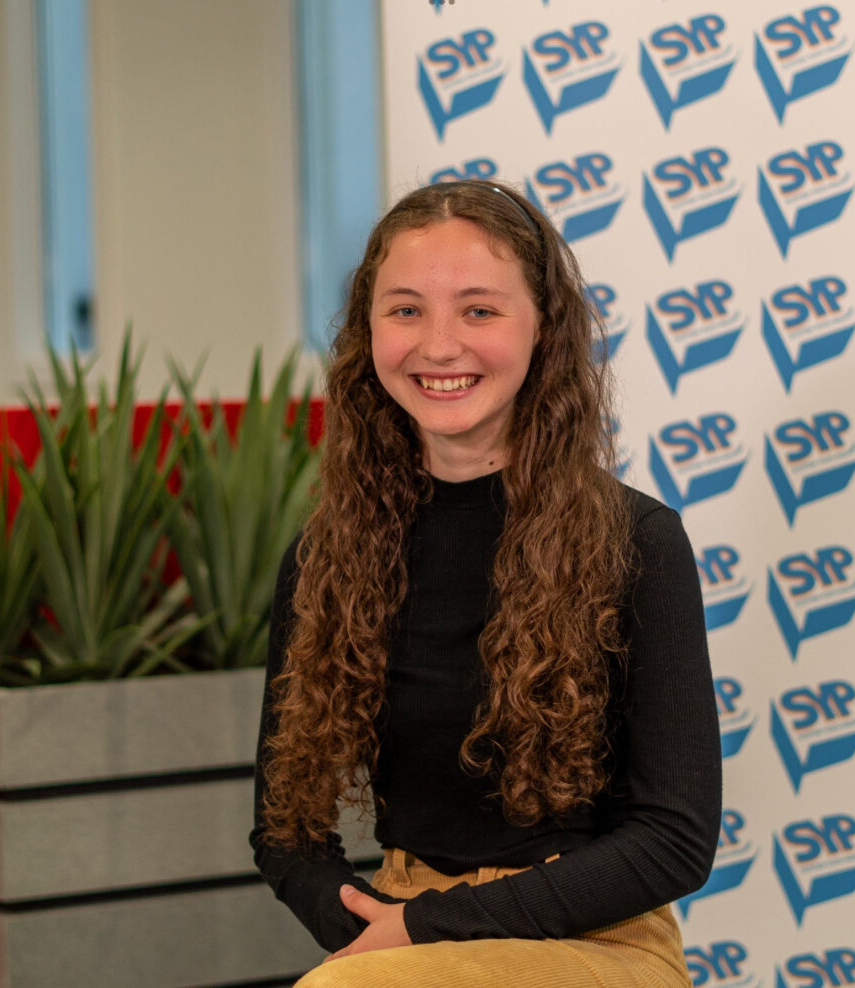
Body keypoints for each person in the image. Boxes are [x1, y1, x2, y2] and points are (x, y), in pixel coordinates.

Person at [250, 179, 722, 986]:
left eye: (478, 310)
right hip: (396, 939)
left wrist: (424, 931)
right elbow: (284, 831)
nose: (438, 345)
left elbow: (673, 840)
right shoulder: (326, 555)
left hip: (599, 945)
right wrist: (370, 925)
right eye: (405, 310)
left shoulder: (638, 542)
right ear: (368, 332)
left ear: (543, 328)